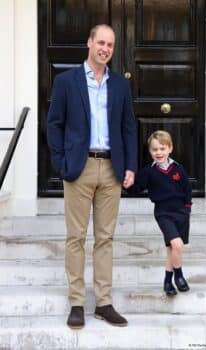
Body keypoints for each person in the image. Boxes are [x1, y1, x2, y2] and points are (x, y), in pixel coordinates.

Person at [47, 24, 137, 329]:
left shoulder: (120, 85)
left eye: (110, 45)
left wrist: (131, 166)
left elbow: (128, 127)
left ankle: (103, 302)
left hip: (111, 168)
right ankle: (76, 302)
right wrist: (61, 162)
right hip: (79, 166)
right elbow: (54, 124)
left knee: (105, 238)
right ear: (89, 43)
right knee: (75, 237)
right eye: (101, 42)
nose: (105, 49)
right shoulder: (66, 81)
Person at [128, 130, 191, 297]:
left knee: (172, 248)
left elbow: (187, 188)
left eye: (162, 148)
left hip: (181, 212)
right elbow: (136, 188)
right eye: (155, 149)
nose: (159, 153)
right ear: (150, 152)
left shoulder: (178, 168)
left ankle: (167, 282)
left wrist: (187, 208)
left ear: (170, 148)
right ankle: (179, 276)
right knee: (177, 245)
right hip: (163, 213)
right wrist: (125, 182)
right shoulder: (148, 171)